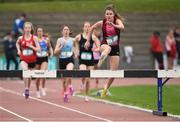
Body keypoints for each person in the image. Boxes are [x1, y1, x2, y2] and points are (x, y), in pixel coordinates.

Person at [85, 4, 124, 98]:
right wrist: (87, 40)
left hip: (115, 47)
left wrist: (114, 25)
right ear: (105, 15)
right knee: (107, 48)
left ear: (114, 15)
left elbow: (122, 27)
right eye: (107, 14)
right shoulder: (102, 22)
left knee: (114, 73)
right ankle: (102, 57)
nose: (109, 16)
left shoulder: (117, 21)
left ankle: (105, 88)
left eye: (110, 14)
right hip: (105, 44)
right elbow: (91, 28)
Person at [74, 22, 100, 101]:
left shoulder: (93, 37)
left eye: (89, 26)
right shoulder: (79, 36)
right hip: (82, 59)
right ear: (83, 28)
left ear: (90, 28)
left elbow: (99, 46)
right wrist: (76, 51)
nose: (87, 28)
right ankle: (82, 82)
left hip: (90, 60)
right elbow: (74, 42)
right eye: (86, 26)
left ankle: (86, 95)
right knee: (83, 72)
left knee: (88, 79)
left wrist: (95, 49)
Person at [16, 22, 40, 99]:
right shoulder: (20, 38)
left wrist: (32, 47)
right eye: (26, 28)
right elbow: (17, 43)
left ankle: (27, 89)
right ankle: (26, 88)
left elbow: (39, 49)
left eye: (29, 28)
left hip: (32, 60)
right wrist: (19, 50)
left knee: (29, 75)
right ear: (24, 29)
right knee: (25, 71)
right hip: (23, 59)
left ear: (31, 29)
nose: (27, 30)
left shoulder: (34, 38)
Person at [54, 26, 75, 102]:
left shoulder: (73, 40)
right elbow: (55, 52)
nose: (66, 31)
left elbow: (76, 48)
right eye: (64, 29)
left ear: (69, 31)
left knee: (68, 72)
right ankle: (67, 89)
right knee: (63, 80)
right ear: (62, 32)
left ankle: (68, 89)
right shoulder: (59, 40)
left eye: (67, 29)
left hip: (70, 59)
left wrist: (76, 53)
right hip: (62, 60)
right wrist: (61, 47)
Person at [35, 27, 53, 98]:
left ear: (42, 32)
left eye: (41, 31)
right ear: (37, 32)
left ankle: (43, 87)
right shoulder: (35, 39)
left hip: (44, 58)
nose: (40, 32)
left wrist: (51, 54)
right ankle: (37, 90)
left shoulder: (46, 40)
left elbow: (50, 47)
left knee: (43, 73)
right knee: (38, 76)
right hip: (37, 59)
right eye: (38, 31)